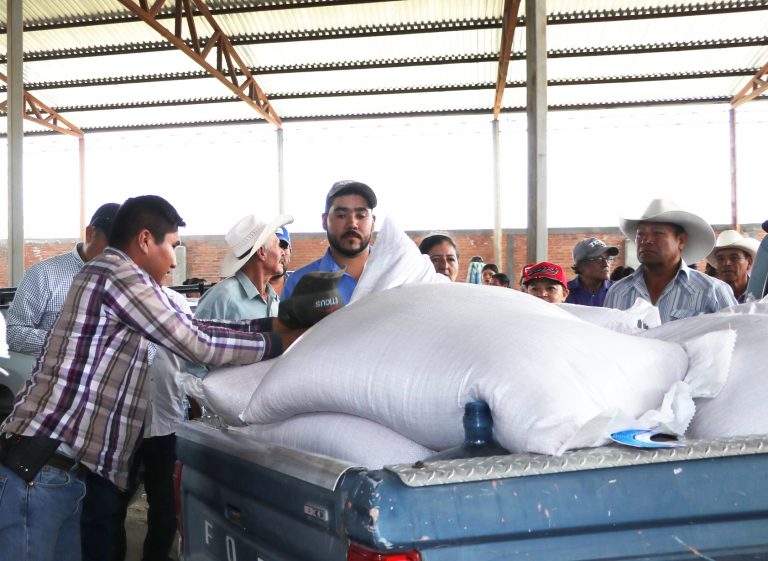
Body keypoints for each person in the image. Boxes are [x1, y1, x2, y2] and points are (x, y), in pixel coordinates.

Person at [0, 195, 304, 561]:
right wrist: (279, 342)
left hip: (59, 475)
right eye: (172, 246)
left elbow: (193, 326)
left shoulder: (116, 278)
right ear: (145, 240)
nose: (176, 260)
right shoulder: (117, 275)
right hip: (40, 472)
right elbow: (197, 343)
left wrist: (273, 325)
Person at [111, 285, 192, 561]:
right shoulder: (116, 302)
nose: (170, 260)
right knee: (115, 502)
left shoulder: (176, 302)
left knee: (165, 505)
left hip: (167, 420)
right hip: (123, 422)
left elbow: (189, 356)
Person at [6, 202, 120, 354]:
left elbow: (149, 342)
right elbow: (12, 334)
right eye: (112, 247)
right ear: (90, 233)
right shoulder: (44, 274)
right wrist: (72, 344)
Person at [604, 198, 737, 322]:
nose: (646, 240)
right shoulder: (617, 293)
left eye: (657, 233)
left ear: (681, 241)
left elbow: (738, 341)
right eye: (640, 234)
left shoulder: (712, 291)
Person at [282, 180, 377, 304]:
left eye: (361, 215)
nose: (352, 224)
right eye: (341, 215)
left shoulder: (397, 274)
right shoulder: (299, 284)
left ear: (373, 222)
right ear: (325, 221)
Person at [195, 213, 292, 320]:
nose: (283, 253)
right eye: (278, 246)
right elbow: (199, 335)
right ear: (262, 252)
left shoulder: (273, 299)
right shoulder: (221, 298)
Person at [706, 229, 760, 303]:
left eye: (734, 258)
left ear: (749, 262)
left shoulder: (762, 293)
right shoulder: (708, 297)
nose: (726, 263)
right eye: (720, 258)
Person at [565, 237, 619, 307]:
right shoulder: (564, 293)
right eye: (599, 259)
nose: (606, 264)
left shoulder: (619, 291)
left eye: (608, 259)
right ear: (580, 266)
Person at [269, 225, 292, 297]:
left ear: (290, 252)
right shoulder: (251, 288)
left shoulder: (299, 286)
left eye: (284, 247)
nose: (280, 253)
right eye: (274, 247)